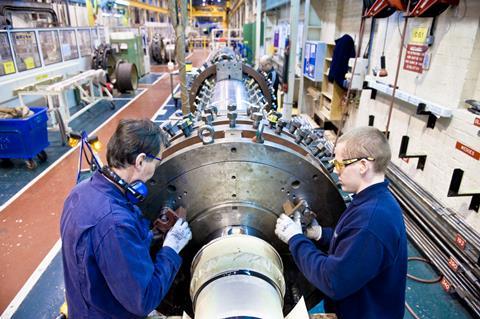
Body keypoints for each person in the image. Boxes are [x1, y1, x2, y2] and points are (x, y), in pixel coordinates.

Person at [60, 119, 192, 318]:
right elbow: (143, 300)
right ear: (139, 161)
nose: (154, 171)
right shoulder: (114, 223)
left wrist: (151, 234)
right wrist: (171, 249)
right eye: (156, 162)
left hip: (84, 306)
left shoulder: (80, 192)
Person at [275, 126, 407, 319]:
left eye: (339, 165)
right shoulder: (369, 201)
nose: (336, 172)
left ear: (362, 166)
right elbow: (351, 245)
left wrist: (295, 239)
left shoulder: (372, 221)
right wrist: (319, 234)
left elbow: (333, 280)